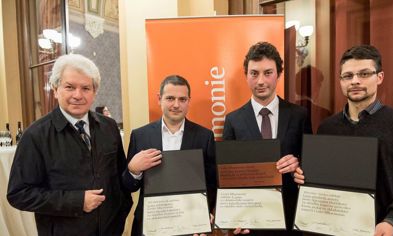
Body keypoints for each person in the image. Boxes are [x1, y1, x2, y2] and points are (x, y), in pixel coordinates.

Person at [294, 45, 393, 236]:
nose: (355, 81)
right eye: (348, 76)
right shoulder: (327, 128)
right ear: (340, 81)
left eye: (364, 74)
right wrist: (304, 177)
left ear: (379, 77)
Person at [7, 54, 133, 236]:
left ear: (94, 92)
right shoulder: (35, 135)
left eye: (86, 88)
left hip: (110, 229)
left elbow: (118, 177)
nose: (78, 95)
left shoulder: (109, 127)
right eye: (70, 87)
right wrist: (77, 201)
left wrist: (121, 211)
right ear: (56, 89)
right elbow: (19, 194)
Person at [223, 41, 312, 235]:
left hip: (291, 218)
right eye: (254, 73)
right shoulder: (232, 120)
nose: (261, 81)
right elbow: (227, 176)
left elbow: (311, 166)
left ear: (279, 74)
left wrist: (298, 163)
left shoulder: (300, 115)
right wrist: (233, 217)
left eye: (268, 73)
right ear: (246, 75)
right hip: (250, 222)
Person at [122, 75, 217, 236]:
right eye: (170, 98)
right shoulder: (140, 136)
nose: (176, 105)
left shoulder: (205, 136)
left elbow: (211, 182)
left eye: (182, 99)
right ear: (159, 99)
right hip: (150, 225)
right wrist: (133, 170)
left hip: (190, 226)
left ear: (189, 101)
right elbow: (128, 186)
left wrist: (204, 213)